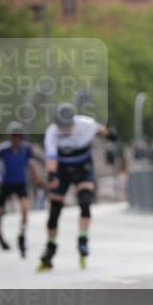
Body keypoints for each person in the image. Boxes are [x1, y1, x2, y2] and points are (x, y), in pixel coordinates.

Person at [39, 103, 117, 271]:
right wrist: (52, 176)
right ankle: (50, 247)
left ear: (73, 121)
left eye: (67, 125)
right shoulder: (52, 132)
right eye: (61, 126)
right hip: (62, 169)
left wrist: (111, 135)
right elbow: (51, 158)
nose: (64, 129)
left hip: (83, 167)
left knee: (85, 202)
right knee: (54, 210)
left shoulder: (86, 124)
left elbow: (102, 130)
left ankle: (82, 241)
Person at [0, 121, 44, 260]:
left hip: (21, 183)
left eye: (18, 136)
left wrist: (36, 180)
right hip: (6, 183)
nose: (16, 139)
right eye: (13, 136)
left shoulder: (26, 149)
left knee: (24, 209)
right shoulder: (2, 149)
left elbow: (31, 165)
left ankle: (22, 234)